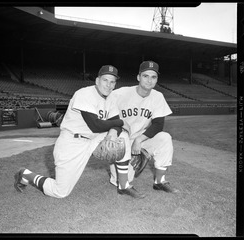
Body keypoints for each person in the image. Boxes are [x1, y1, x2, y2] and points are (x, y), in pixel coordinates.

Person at [14, 65, 145, 198]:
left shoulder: (111, 98)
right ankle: (25, 175)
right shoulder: (84, 94)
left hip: (94, 139)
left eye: (112, 82)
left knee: (121, 135)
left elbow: (114, 122)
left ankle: (124, 185)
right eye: (105, 80)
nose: (109, 85)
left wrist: (113, 132)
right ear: (97, 80)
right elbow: (96, 125)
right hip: (72, 142)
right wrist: (121, 122)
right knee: (60, 192)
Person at [108, 61, 179, 193]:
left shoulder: (158, 96)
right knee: (119, 180)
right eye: (145, 76)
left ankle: (159, 181)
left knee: (164, 138)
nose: (149, 80)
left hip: (141, 139)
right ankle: (124, 175)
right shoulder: (120, 94)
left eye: (153, 77)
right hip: (122, 140)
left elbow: (158, 124)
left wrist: (139, 140)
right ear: (138, 77)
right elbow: (106, 114)